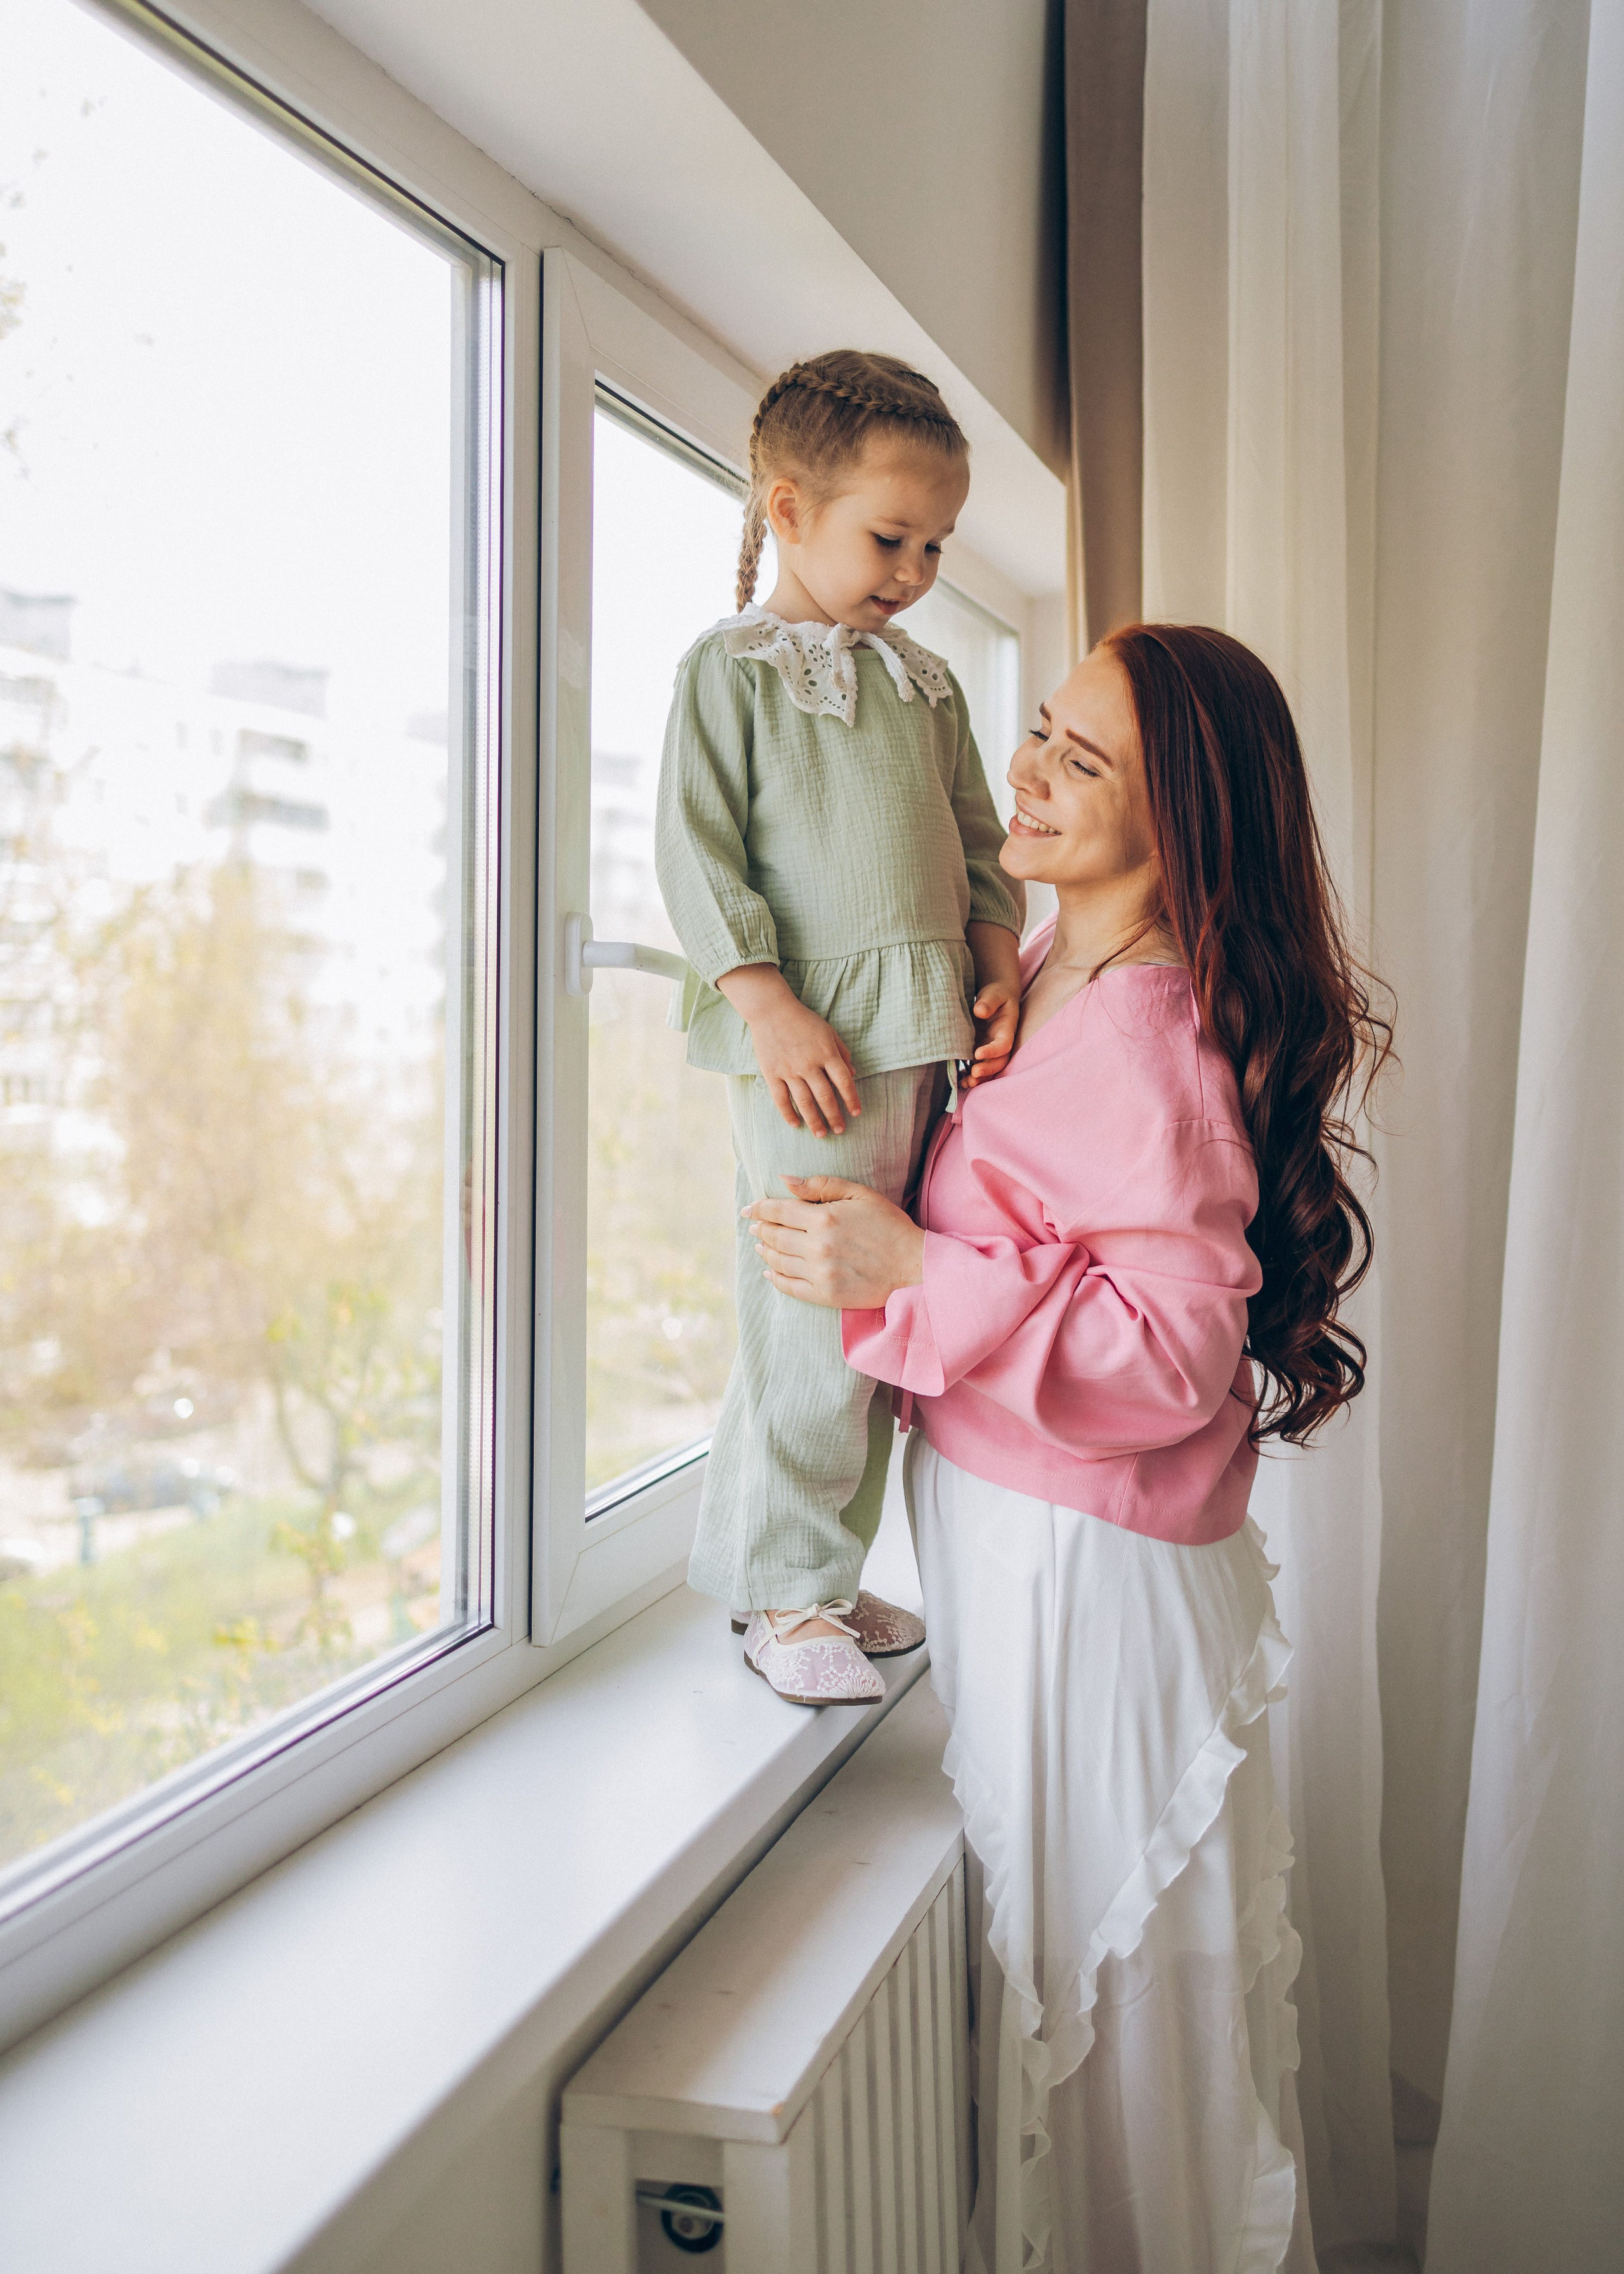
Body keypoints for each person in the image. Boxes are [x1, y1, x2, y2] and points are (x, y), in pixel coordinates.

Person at [746, 625, 1392, 2271]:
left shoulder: (1152, 1043)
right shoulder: (1048, 971)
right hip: (1043, 1561)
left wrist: (912, 1272)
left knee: (1128, 2066)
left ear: (1183, 822)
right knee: (1103, 2047)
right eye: (1040, 731)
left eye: (1079, 760)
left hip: (1093, 1594)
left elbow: (1175, 1358)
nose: (1024, 771)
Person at [654, 349, 1025, 1706]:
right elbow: (696, 855)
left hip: (927, 1030)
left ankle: (812, 1567)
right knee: (807, 1313)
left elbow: (979, 846)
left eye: (933, 543)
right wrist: (763, 1003)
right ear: (787, 507)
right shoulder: (730, 668)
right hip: (808, 1045)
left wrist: (996, 967)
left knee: (879, 1309)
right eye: (889, 536)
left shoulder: (925, 685)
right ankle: (781, 1588)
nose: (914, 569)